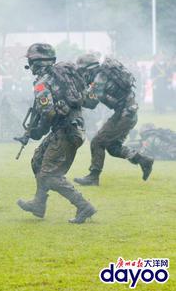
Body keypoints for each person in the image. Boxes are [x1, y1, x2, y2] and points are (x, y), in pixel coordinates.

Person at [16, 43, 96, 224]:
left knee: (50, 175)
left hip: (66, 131)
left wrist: (34, 131)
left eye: (31, 61)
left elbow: (48, 113)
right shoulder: (63, 75)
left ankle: (84, 206)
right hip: (69, 128)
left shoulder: (42, 82)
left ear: (37, 62)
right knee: (38, 162)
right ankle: (39, 204)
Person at [74, 54, 154, 186]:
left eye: (83, 71)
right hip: (127, 114)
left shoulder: (99, 78)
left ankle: (93, 177)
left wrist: (75, 99)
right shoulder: (102, 75)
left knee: (97, 142)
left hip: (125, 115)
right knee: (113, 147)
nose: (82, 74)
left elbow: (91, 103)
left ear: (89, 69)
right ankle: (144, 160)